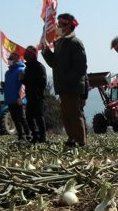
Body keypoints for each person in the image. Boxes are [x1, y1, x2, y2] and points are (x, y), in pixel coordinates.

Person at [42, 13, 88, 148]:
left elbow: (81, 67)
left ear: (69, 26)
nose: (57, 27)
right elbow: (54, 63)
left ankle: (81, 141)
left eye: (60, 25)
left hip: (71, 86)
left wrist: (69, 80)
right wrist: (45, 51)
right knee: (66, 114)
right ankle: (71, 138)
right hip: (62, 86)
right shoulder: (60, 42)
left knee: (74, 113)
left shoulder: (75, 43)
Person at [22, 46, 48, 143]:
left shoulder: (39, 67)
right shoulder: (27, 68)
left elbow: (43, 82)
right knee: (29, 117)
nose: (26, 55)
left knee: (39, 117)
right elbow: (27, 82)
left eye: (28, 53)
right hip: (29, 96)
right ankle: (35, 135)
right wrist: (22, 80)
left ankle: (42, 137)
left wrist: (38, 93)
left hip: (38, 97)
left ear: (33, 54)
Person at [3, 51, 29, 141]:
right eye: (9, 58)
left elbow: (23, 85)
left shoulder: (21, 70)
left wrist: (21, 97)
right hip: (10, 99)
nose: (9, 60)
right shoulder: (7, 73)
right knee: (15, 119)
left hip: (18, 99)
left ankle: (28, 134)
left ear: (17, 59)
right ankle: (21, 136)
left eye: (11, 58)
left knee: (22, 118)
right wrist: (4, 85)